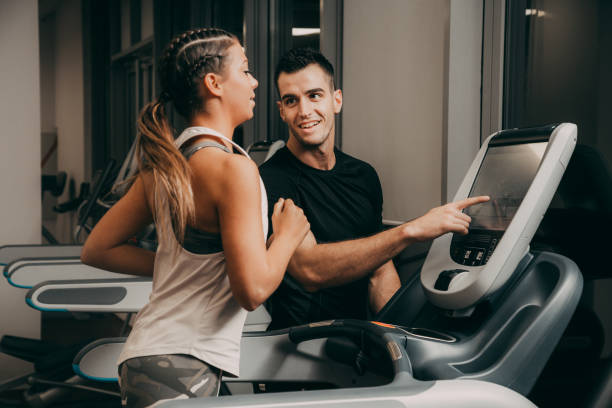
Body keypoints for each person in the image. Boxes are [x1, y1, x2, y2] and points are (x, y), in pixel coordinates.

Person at [80, 28, 309, 407]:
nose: (254, 82)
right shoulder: (232, 169)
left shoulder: (166, 166)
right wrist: (287, 236)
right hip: (182, 361)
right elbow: (251, 291)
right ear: (214, 83)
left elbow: (97, 249)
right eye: (245, 70)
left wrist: (178, 268)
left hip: (144, 354)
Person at [260, 47, 488, 330]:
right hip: (298, 344)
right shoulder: (271, 180)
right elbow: (309, 269)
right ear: (281, 110)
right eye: (291, 101)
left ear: (336, 100)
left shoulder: (363, 176)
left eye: (314, 95)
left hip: (355, 344)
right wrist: (409, 231)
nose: (305, 111)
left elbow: (379, 272)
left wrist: (403, 339)